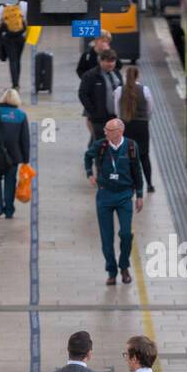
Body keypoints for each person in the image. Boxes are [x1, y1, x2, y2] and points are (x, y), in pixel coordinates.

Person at [84, 117, 143, 286]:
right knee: (106, 237)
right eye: (105, 130)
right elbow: (87, 157)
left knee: (126, 233)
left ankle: (124, 265)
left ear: (119, 132)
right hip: (105, 195)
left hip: (124, 195)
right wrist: (90, 173)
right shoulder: (100, 146)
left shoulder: (131, 146)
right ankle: (111, 271)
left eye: (108, 130)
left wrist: (139, 195)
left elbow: (137, 170)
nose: (105, 133)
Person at [0, 87, 30, 220]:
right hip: (13, 156)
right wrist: (25, 159)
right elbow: (25, 139)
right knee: (10, 182)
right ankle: (9, 210)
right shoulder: (21, 115)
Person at [114, 64, 155, 192]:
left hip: (126, 126)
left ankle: (129, 184)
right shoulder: (145, 90)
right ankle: (149, 184)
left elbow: (116, 111)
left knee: (126, 155)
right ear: (138, 76)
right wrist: (144, 119)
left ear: (125, 76)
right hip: (141, 126)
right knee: (144, 156)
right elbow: (150, 109)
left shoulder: (119, 90)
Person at [79, 47, 123, 142]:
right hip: (100, 118)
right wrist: (93, 112)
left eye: (113, 61)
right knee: (102, 143)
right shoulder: (90, 75)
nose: (111, 64)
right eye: (108, 61)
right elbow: (83, 94)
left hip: (116, 117)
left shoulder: (116, 74)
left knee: (115, 143)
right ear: (101, 61)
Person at [0, 0, 27, 89]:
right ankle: (17, 81)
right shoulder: (23, 5)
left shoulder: (2, 7)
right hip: (20, 37)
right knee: (18, 59)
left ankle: (15, 83)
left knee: (12, 60)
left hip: (8, 38)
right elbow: (26, 20)